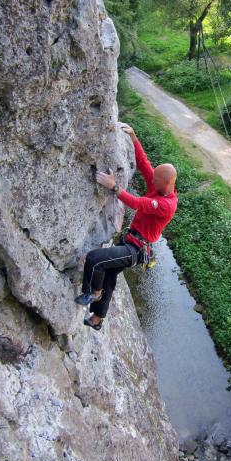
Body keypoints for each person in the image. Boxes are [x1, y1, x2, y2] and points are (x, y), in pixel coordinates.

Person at [76, 121, 178, 330]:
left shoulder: (166, 205)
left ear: (165, 184)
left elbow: (138, 203)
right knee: (110, 276)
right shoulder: (158, 186)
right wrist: (133, 137)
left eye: (155, 180)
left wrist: (114, 186)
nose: (152, 181)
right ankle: (97, 319)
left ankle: (93, 292)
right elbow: (144, 163)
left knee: (95, 260)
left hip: (136, 250)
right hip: (130, 240)